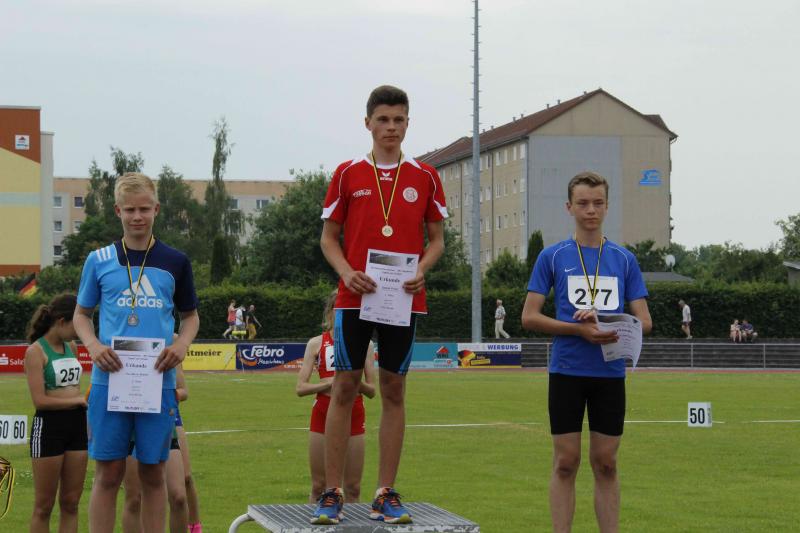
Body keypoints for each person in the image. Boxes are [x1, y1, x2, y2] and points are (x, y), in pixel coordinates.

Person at [315, 85, 447, 525]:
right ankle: (332, 492)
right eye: (383, 120)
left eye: (399, 120)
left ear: (408, 123)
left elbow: (437, 240)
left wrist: (422, 268)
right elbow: (328, 239)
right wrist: (346, 272)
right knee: (344, 387)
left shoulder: (425, 176)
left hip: (402, 297)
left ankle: (385, 492)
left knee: (393, 390)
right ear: (368, 123)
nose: (391, 127)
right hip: (356, 295)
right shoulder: (347, 173)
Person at [521, 171, 652, 533]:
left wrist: (608, 323)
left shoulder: (624, 259)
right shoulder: (552, 256)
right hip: (567, 371)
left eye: (597, 203)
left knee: (606, 463)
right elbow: (529, 317)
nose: (590, 210)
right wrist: (578, 329)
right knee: (566, 461)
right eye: (582, 203)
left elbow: (644, 321)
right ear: (569, 207)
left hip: (609, 373)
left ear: (607, 207)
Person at [73, 172, 200, 533]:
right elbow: (81, 315)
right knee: (108, 473)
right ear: (118, 211)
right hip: (109, 380)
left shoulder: (175, 261)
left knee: (153, 473)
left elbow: (190, 317)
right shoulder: (98, 259)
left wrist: (181, 345)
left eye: (144, 209)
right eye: (129, 210)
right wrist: (94, 346)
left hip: (156, 382)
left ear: (156, 209)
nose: (137, 217)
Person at [297, 291, 376, 504]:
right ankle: (315, 520)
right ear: (330, 312)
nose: (342, 314)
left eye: (348, 310)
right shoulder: (316, 343)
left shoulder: (366, 345)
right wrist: (330, 383)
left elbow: (372, 390)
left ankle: (352, 522)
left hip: (354, 411)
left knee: (353, 488)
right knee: (319, 486)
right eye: (338, 309)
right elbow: (300, 388)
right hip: (322, 411)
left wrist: (351, 381)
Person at [23, 293, 88, 533]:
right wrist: (77, 400)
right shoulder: (35, 352)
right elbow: (39, 401)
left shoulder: (71, 347)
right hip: (49, 428)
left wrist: (79, 403)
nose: (78, 332)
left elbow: (73, 386)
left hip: (77, 425)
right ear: (61, 321)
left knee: (71, 503)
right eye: (76, 325)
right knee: (44, 506)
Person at [120, 363, 194, 533]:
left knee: (178, 496)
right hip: (129, 421)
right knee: (134, 499)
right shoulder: (121, 346)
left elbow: (183, 390)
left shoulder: (169, 347)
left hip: (161, 421)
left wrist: (165, 395)